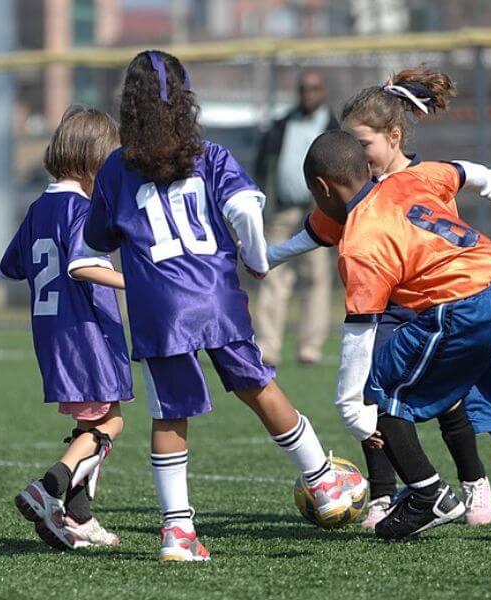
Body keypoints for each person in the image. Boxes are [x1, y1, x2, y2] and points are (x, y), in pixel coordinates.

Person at [81, 51, 363, 562]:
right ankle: (322, 481)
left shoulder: (116, 170)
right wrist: (256, 259)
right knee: (258, 385)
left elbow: (96, 238)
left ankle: (178, 532)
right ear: (187, 99)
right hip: (215, 297)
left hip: (158, 307)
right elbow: (243, 209)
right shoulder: (210, 155)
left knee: (170, 416)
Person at [298, 129, 491, 543]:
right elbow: (459, 171)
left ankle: (427, 494)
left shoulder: (360, 240)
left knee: (381, 385)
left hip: (460, 307)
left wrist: (350, 407)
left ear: (322, 188)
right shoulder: (407, 179)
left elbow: (360, 335)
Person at [266, 69, 491, 529]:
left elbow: (463, 180)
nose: (355, 153)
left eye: (362, 143)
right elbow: (320, 229)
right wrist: (268, 257)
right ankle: (387, 494)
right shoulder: (357, 188)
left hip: (431, 303)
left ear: (392, 137)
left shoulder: (419, 179)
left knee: (447, 398)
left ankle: (473, 481)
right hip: (382, 306)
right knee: (376, 394)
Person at [0, 106, 131, 550]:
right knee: (111, 423)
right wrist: (138, 282)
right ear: (94, 163)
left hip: (52, 334)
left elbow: (12, 265)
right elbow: (81, 265)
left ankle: (79, 517)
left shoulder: (40, 207)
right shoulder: (80, 209)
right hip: (86, 334)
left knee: (92, 424)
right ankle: (48, 488)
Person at [252, 69, 339, 366]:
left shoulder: (333, 127)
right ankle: (267, 347)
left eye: (314, 88)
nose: (308, 94)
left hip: (319, 212)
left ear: (323, 91)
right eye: (303, 89)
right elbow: (262, 166)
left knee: (315, 278)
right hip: (283, 210)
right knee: (273, 274)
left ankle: (310, 348)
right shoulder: (281, 124)